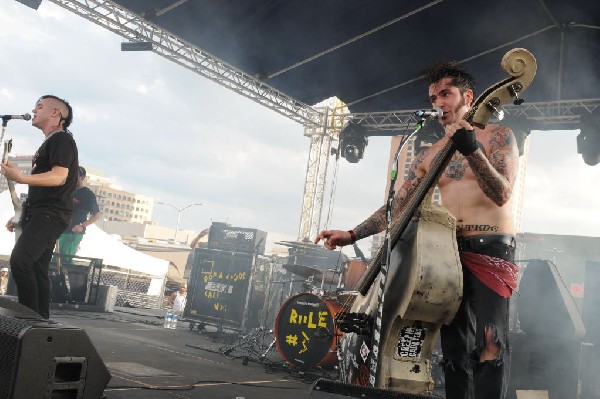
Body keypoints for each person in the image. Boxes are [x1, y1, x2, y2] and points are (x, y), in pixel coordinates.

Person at [314, 62, 519, 399]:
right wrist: (351, 234)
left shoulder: (498, 136)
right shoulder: (431, 153)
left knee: (489, 342)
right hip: (448, 254)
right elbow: (399, 206)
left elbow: (501, 193)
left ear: (468, 96)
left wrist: (471, 149)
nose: (438, 101)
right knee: (454, 348)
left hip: (490, 247)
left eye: (446, 93)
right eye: (433, 95)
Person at [1, 95, 78, 319]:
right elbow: (44, 187)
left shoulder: (61, 140)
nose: (34, 111)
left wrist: (21, 177)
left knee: (21, 261)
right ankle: (41, 321)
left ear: (56, 113)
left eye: (40, 107)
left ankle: (28, 319)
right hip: (41, 212)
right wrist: (22, 214)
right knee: (36, 267)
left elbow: (59, 177)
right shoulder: (49, 143)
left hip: (51, 213)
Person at [57, 166, 101, 262]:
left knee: (63, 260)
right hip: (60, 230)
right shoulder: (67, 190)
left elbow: (96, 214)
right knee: (55, 259)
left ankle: (69, 276)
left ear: (82, 177)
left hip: (73, 232)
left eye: (74, 176)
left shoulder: (88, 194)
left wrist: (82, 226)